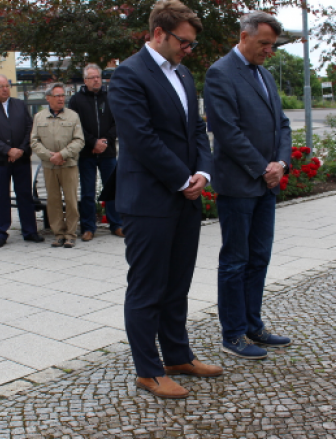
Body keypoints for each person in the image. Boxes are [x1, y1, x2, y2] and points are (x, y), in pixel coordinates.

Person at [108, 0, 220, 399]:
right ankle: (148, 370)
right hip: (148, 201)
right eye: (183, 41)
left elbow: (196, 130)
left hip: (185, 198)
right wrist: (181, 178)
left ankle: (177, 356)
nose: (188, 49)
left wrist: (203, 173)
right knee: (146, 288)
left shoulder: (184, 75)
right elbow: (141, 138)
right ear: (158, 33)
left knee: (177, 286)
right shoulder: (127, 75)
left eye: (191, 43)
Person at [204, 11, 292, 360]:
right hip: (239, 185)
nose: (269, 51)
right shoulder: (220, 73)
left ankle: (253, 324)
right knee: (236, 260)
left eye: (272, 45)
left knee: (259, 257)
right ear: (244, 36)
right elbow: (226, 131)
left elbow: (282, 125)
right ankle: (234, 333)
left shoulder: (265, 74)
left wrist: (281, 164)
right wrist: (262, 168)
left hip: (265, 185)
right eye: (264, 44)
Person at [0, 74, 44, 247]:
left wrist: (21, 149)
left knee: (25, 195)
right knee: (1, 196)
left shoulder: (19, 105)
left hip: (21, 159)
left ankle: (30, 230)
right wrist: (8, 150)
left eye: (7, 86)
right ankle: (1, 231)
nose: (5, 89)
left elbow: (30, 128)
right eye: (1, 86)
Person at [67, 64, 122, 241]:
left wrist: (105, 141)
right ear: (85, 81)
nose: (96, 80)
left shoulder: (111, 97)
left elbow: (118, 122)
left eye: (98, 76)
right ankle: (88, 228)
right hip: (87, 153)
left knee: (113, 190)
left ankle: (117, 224)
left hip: (108, 152)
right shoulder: (76, 100)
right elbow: (76, 126)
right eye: (92, 77)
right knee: (88, 192)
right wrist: (93, 142)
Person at [30, 83, 84, 248]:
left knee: (71, 200)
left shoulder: (73, 116)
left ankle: (71, 234)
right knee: (53, 201)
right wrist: (50, 156)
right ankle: (58, 233)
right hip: (49, 166)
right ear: (48, 98)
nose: (61, 99)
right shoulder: (39, 117)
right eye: (57, 96)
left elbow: (79, 140)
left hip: (68, 164)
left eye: (63, 95)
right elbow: (34, 141)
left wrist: (63, 154)